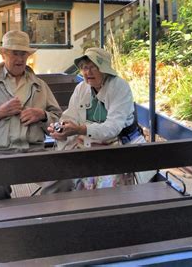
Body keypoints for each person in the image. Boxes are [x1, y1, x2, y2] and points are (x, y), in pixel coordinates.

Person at [0, 30, 62, 200]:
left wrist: (43, 115)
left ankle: (44, 220)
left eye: (24, 54)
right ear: (3, 55)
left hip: (33, 151)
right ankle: (5, 225)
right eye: (15, 53)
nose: (20, 59)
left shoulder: (39, 85)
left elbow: (60, 121)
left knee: (62, 181)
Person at [42, 47, 149, 193]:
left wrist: (80, 129)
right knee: (60, 171)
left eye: (94, 67)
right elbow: (70, 116)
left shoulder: (119, 87)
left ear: (105, 70)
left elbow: (113, 128)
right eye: (85, 68)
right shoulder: (81, 88)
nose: (88, 72)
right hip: (87, 145)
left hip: (119, 147)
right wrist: (60, 129)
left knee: (106, 184)